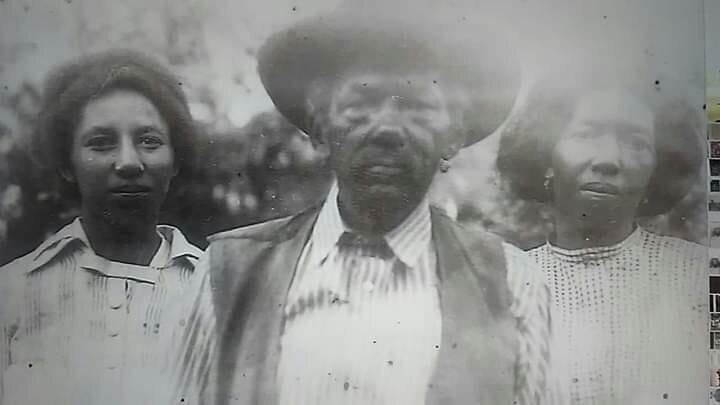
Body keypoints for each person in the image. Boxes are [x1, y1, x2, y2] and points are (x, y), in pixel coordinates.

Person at [184, 4, 562, 405]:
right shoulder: (224, 273)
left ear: (453, 136)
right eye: (360, 106)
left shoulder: (511, 283)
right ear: (319, 131)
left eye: (417, 107)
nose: (386, 128)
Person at [0, 50, 206, 404]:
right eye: (101, 143)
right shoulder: (12, 292)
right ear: (67, 163)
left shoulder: (216, 293)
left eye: (149, 141)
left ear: (175, 160)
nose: (128, 162)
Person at [496, 77, 706, 404]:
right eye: (585, 134)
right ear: (546, 158)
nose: (609, 159)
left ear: (656, 169)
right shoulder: (504, 285)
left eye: (636, 142)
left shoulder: (695, 276)